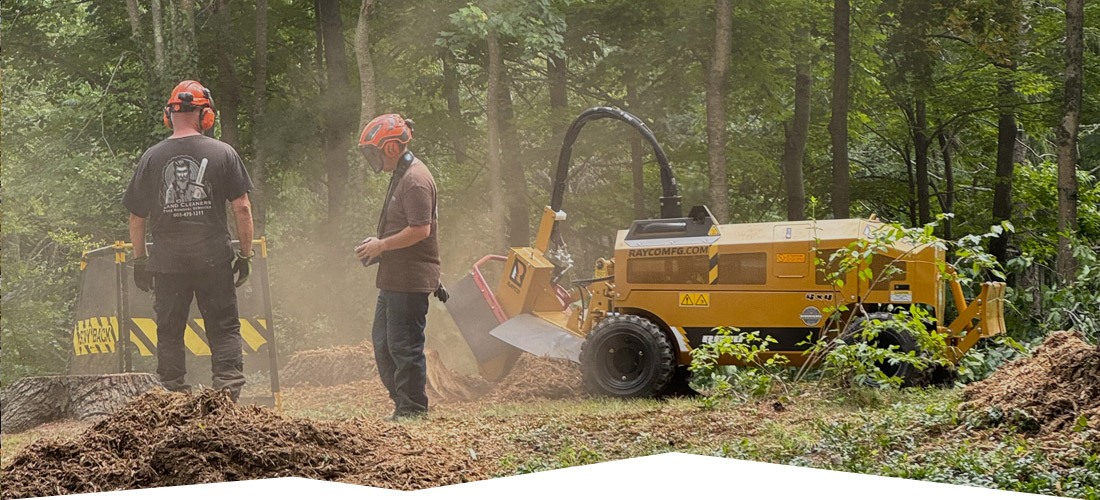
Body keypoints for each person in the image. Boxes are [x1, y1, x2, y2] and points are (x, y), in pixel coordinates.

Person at [123, 80, 255, 402]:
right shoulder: (223, 153)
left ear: (169, 114)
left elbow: (136, 217)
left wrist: (140, 260)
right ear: (205, 115)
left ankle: (174, 398)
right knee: (223, 328)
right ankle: (226, 396)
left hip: (167, 265)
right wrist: (245, 254)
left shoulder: (152, 158)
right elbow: (242, 208)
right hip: (214, 261)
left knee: (169, 332)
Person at [355, 113, 443, 420]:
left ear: (392, 147)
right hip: (394, 278)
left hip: (409, 280)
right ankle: (402, 404)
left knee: (404, 347)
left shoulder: (415, 180)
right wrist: (379, 247)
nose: (373, 158)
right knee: (384, 344)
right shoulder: (402, 174)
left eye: (375, 151)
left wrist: (382, 245)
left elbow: (420, 230)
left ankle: (413, 409)